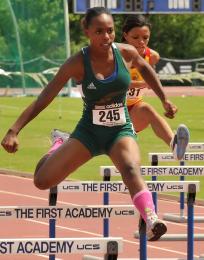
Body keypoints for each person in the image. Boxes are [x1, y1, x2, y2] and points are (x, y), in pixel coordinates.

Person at [1, 7, 178, 242]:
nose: (106, 37)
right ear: (87, 32)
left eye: (110, 31)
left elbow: (145, 68)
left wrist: (164, 99)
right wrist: (14, 130)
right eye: (99, 32)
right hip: (90, 132)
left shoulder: (125, 53)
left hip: (119, 130)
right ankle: (59, 145)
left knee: (130, 168)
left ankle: (152, 218)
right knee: (42, 181)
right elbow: (45, 97)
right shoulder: (77, 63)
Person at [122, 14, 189, 160]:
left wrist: (166, 101)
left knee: (147, 109)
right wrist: (144, 83)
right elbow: (121, 82)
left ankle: (175, 146)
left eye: (145, 38)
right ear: (125, 35)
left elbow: (152, 79)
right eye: (135, 38)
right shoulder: (114, 55)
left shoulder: (152, 56)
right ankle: (63, 143)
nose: (141, 42)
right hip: (111, 110)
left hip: (134, 109)